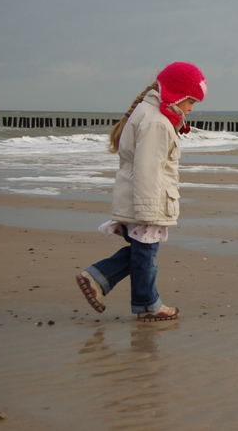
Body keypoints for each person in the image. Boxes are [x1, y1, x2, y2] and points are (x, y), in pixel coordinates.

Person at [75, 61, 208, 322]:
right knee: (146, 252)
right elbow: (148, 168)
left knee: (142, 251)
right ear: (177, 94)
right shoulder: (156, 122)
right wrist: (148, 211)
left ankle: (98, 279)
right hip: (147, 198)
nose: (191, 108)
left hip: (140, 195)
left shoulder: (150, 114)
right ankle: (147, 303)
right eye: (190, 101)